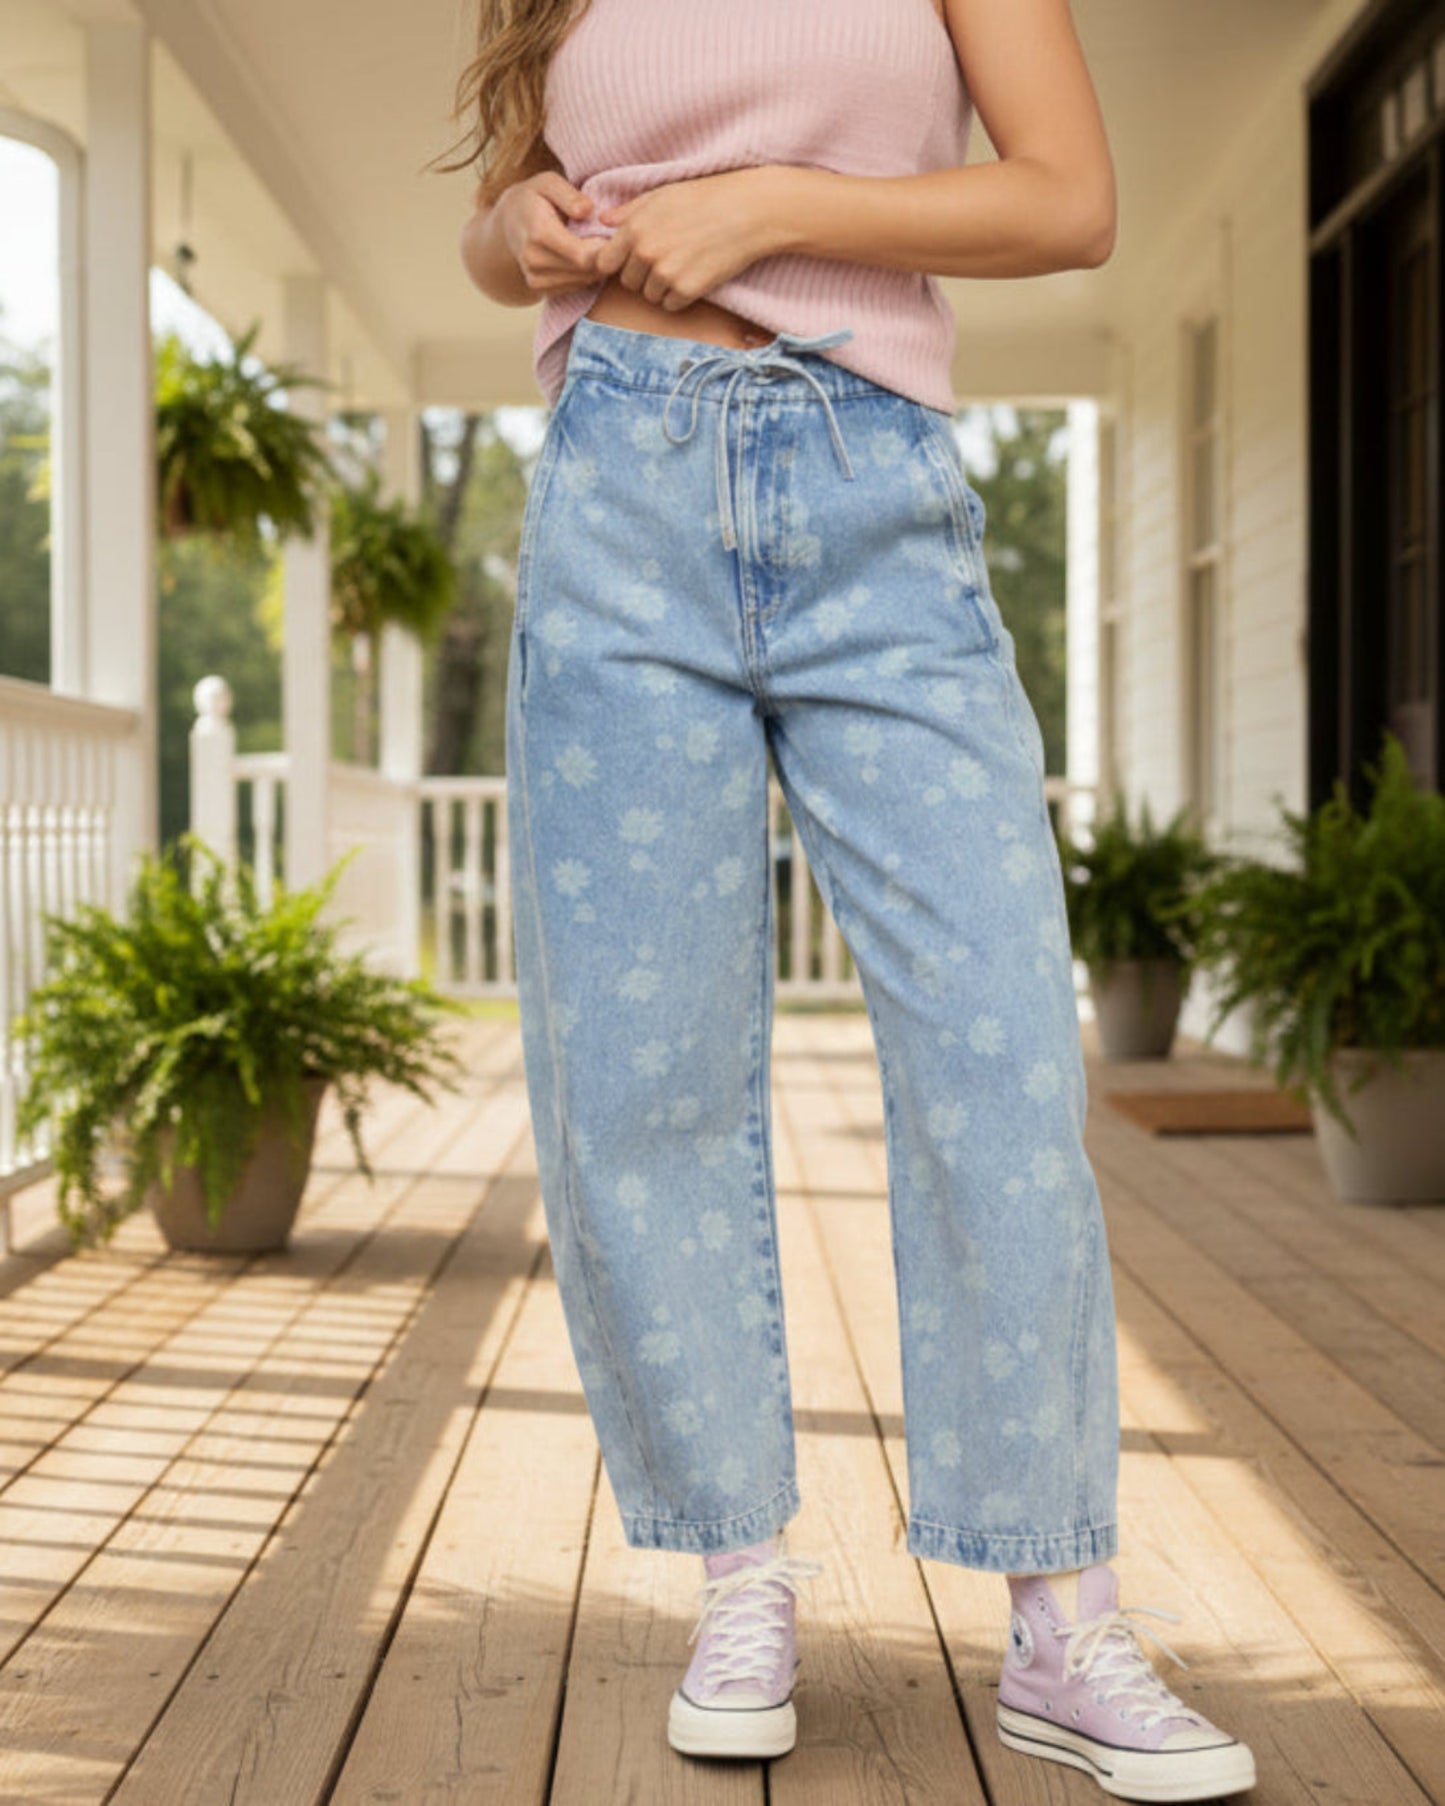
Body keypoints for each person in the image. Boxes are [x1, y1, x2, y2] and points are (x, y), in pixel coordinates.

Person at [448, 0, 1256, 1797]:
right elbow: (504, 216)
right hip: (615, 496)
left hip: (869, 479)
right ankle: (740, 1571)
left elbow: (1068, 200)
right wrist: (517, 241)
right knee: (640, 1063)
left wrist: (767, 209)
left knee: (996, 1058)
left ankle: (1062, 1615)